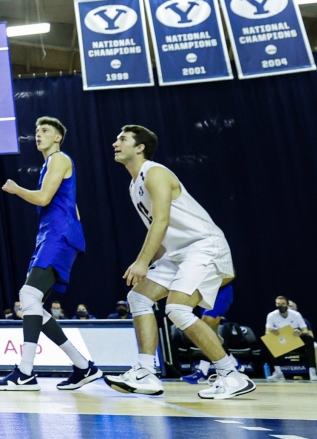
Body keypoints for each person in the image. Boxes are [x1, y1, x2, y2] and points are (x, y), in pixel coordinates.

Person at [104, 125, 251, 400]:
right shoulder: (134, 184)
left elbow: (162, 222)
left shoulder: (155, 173)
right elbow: (159, 234)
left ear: (140, 147)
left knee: (177, 309)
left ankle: (231, 374)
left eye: (122, 139)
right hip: (179, 254)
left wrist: (142, 262)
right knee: (138, 297)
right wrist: (149, 263)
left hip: (204, 247)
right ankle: (146, 372)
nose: (115, 143)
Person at [0, 117, 101, 392]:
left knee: (29, 296)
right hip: (52, 235)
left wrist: (17, 190)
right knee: (34, 305)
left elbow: (42, 198)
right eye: (37, 130)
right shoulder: (51, 164)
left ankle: (26, 373)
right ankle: (83, 366)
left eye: (45, 131)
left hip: (58, 236)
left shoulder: (59, 158)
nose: (38, 134)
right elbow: (72, 206)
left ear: (58, 137)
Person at [180, 280, 237, 384]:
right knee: (212, 335)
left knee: (204, 327)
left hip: (220, 292)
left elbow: (231, 275)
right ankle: (233, 363)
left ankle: (203, 370)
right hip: (206, 295)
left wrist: (210, 284)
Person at [263, 295, 317, 381]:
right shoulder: (271, 315)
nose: (281, 306)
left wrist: (299, 333)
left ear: (287, 304)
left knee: (308, 338)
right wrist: (273, 332)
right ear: (276, 305)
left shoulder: (296, 315)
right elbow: (267, 332)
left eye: (283, 304)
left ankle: (312, 371)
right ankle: (278, 372)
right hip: (282, 341)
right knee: (268, 341)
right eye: (278, 304)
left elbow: (305, 330)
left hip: (295, 340)